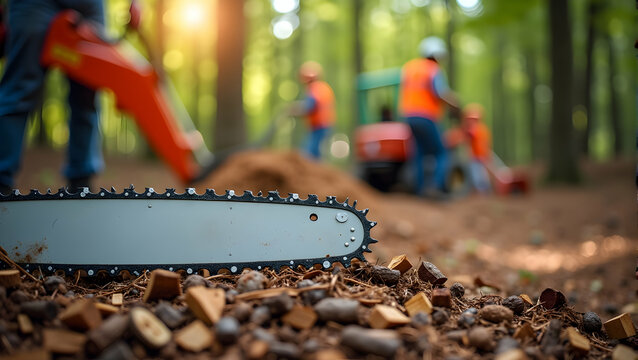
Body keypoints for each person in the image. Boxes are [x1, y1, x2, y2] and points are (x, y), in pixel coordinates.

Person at [0, 0, 106, 195]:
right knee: (19, 89)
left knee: (87, 97)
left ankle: (82, 185)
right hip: (33, 4)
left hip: (90, 5)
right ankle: (1, 181)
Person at [398, 36, 460, 196]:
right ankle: (434, 187)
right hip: (426, 116)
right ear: (437, 54)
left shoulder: (409, 68)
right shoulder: (433, 69)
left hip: (409, 116)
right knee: (441, 152)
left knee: (418, 152)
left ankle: (419, 190)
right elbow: (439, 93)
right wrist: (455, 103)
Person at [290, 61, 336, 160]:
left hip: (319, 127)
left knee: (310, 153)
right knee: (316, 152)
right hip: (324, 125)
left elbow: (309, 106)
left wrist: (294, 110)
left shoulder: (315, 89)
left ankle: (315, 173)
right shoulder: (323, 87)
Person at [462, 103, 492, 193]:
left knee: (477, 173)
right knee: (481, 172)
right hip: (479, 155)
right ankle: (484, 188)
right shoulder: (484, 128)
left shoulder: (477, 128)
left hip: (478, 155)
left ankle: (482, 189)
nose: (470, 121)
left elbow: (470, 134)